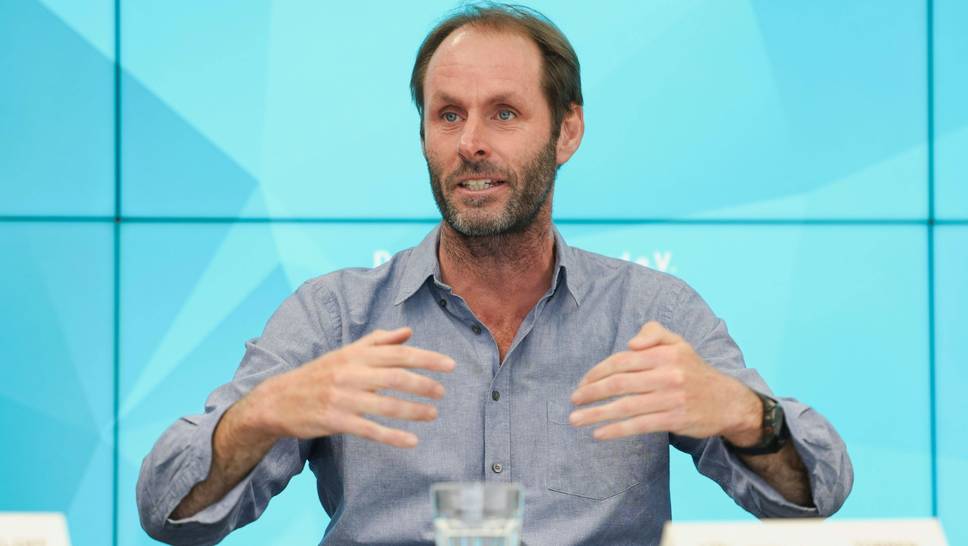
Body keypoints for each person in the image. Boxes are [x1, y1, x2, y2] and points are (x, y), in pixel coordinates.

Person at [137, 4, 853, 545]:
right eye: (448, 116)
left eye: (504, 113)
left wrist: (744, 414)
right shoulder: (336, 317)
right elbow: (166, 511)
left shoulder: (649, 314)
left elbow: (817, 492)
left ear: (566, 131)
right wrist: (260, 414)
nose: (471, 143)